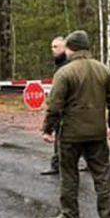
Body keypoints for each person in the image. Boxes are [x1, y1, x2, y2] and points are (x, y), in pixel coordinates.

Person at [41, 30, 110, 218]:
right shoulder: (103, 70)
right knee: (102, 175)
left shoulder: (65, 72)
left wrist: (48, 128)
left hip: (70, 134)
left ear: (70, 48)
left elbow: (54, 105)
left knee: (69, 175)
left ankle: (69, 217)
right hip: (96, 132)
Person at [40, 36, 68, 175]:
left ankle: (57, 165)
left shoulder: (65, 66)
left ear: (64, 48)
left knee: (61, 136)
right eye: (52, 47)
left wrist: (48, 126)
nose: (53, 50)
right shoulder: (59, 64)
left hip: (65, 108)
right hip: (66, 108)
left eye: (56, 47)